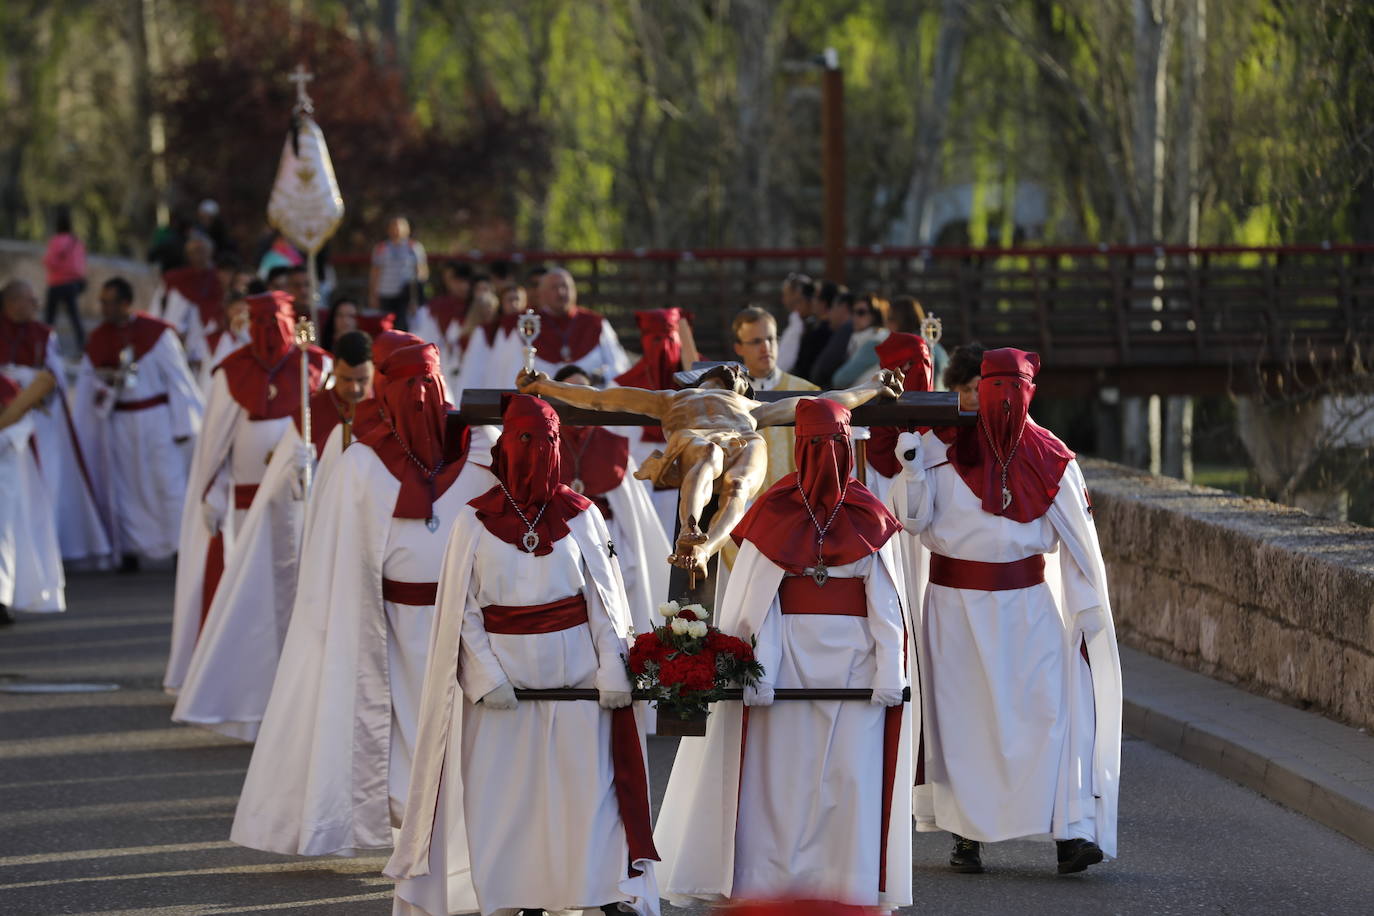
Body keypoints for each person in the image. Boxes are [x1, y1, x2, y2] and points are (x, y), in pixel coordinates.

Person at [385, 393, 659, 916]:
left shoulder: (581, 516)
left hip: (578, 689)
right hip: (504, 693)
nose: (538, 451)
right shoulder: (472, 522)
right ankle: (520, 896)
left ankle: (596, 890)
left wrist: (611, 667)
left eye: (549, 441)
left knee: (587, 795)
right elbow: (461, 612)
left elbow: (604, 600)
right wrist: (486, 676)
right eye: (526, 440)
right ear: (506, 447)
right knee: (510, 803)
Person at [231, 342, 498, 857]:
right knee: (393, 728)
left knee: (465, 731)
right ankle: (408, 825)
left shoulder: (483, 447)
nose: (421, 398)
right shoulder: (361, 461)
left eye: (429, 382)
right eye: (407, 386)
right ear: (385, 389)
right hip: (389, 625)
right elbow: (333, 557)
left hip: (468, 622)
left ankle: (465, 829)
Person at [654, 397, 912, 910]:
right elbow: (758, 601)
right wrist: (760, 669)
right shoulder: (775, 510)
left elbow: (886, 604)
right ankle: (767, 887)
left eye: (833, 444)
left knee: (848, 780)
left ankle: (845, 886)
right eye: (815, 445)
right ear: (799, 448)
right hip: (787, 663)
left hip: (853, 673)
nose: (825, 455)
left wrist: (890, 671)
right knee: (777, 782)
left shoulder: (869, 515)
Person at [889, 347, 1122, 875]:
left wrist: (1089, 611)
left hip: (1029, 608)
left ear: (1028, 393)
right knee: (963, 721)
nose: (1000, 401)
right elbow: (913, 520)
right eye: (992, 388)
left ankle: (1070, 831)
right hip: (953, 610)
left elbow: (1080, 541)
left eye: (1011, 390)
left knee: (1048, 716)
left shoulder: (1050, 456)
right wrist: (909, 467)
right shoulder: (934, 447)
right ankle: (967, 835)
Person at [517, 363, 900, 577]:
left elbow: (827, 403)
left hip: (744, 438)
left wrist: (873, 386)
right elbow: (600, 400)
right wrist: (545, 385)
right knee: (706, 457)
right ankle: (690, 529)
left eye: (738, 375)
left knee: (738, 488)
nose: (733, 372)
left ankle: (706, 548)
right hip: (697, 437)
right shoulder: (673, 399)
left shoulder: (753, 408)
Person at [165, 290, 330, 698]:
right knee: (247, 597)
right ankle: (243, 683)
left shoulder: (316, 364)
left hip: (300, 501)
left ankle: (303, 682)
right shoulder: (230, 373)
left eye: (279, 322)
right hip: (242, 505)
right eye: (262, 323)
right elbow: (215, 447)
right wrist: (213, 493)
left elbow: (328, 429)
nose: (271, 333)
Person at [73, 278, 204, 570]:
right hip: (119, 421)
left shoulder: (156, 334)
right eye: (102, 302)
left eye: (109, 302)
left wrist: (185, 426)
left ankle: (178, 547)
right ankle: (130, 549)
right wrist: (105, 383)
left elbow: (178, 379)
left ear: (125, 303)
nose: (104, 308)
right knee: (125, 486)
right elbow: (87, 387)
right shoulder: (98, 339)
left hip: (156, 420)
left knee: (166, 482)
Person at [0, 280, 111, 565]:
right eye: (29, 299)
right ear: (11, 303)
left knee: (45, 483)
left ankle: (43, 552)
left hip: (38, 421)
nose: (36, 305)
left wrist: (31, 383)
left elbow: (55, 377)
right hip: (6, 423)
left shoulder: (43, 334)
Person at [556, 364, 670, 625]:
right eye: (569, 391)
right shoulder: (548, 443)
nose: (577, 399)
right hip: (559, 537)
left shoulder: (612, 445)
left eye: (583, 392)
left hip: (607, 537)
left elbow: (633, 512)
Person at [613, 308, 700, 534]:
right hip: (643, 496)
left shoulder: (704, 381)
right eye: (656, 339)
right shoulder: (624, 387)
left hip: (690, 490)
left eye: (669, 338)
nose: (662, 347)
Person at [0, 370, 65, 625]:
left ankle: (1, 599)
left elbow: (20, 423)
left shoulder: (5, 384)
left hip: (2, 470)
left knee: (1, 533)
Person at [495, 267, 629, 384]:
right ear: (541, 294)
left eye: (565, 287)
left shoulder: (595, 323)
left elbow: (619, 368)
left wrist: (596, 377)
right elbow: (510, 374)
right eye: (554, 287)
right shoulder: (527, 324)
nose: (561, 292)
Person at [159, 231, 224, 371]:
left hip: (209, 343)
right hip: (178, 345)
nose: (198, 255)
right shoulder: (176, 280)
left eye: (202, 250)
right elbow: (162, 314)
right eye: (194, 251)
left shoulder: (220, 279)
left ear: (210, 251)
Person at [370, 216, 428, 331]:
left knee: (403, 327)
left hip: (405, 295)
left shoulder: (414, 247)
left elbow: (421, 272)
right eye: (394, 226)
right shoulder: (381, 248)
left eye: (400, 226)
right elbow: (375, 272)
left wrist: (416, 297)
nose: (397, 229)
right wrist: (373, 295)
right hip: (385, 293)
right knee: (385, 326)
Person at [42, 206, 87, 351]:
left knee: (49, 318)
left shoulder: (56, 241)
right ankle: (82, 345)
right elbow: (81, 264)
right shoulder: (76, 241)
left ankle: (43, 344)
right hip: (72, 284)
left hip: (56, 283)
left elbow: (49, 262)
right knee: (74, 317)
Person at [831, 293, 891, 389]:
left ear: (875, 315)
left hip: (868, 399)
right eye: (853, 312)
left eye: (861, 312)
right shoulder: (860, 338)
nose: (855, 316)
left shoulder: (876, 341)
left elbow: (840, 379)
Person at [888, 295, 948, 384]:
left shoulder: (912, 348)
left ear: (899, 320)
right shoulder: (935, 345)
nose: (887, 324)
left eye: (890, 319)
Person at [199, 292, 252, 392]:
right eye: (236, 310)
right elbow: (208, 371)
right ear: (227, 310)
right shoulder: (217, 337)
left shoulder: (252, 335)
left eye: (243, 311)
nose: (239, 315)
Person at [808, 289, 855, 389]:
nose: (829, 313)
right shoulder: (849, 329)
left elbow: (822, 368)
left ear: (844, 307)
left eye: (833, 307)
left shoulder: (847, 329)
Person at [793, 280, 838, 381]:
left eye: (815, 297)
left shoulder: (820, 333)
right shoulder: (815, 327)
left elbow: (802, 368)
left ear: (823, 303)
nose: (812, 300)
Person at [776, 271, 813, 375]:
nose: (783, 300)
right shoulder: (796, 322)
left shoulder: (800, 324)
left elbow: (784, 364)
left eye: (786, 295)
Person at [943, 341, 987, 410]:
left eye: (979, 390)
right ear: (953, 388)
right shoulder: (942, 416)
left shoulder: (1002, 417)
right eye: (965, 390)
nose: (972, 398)